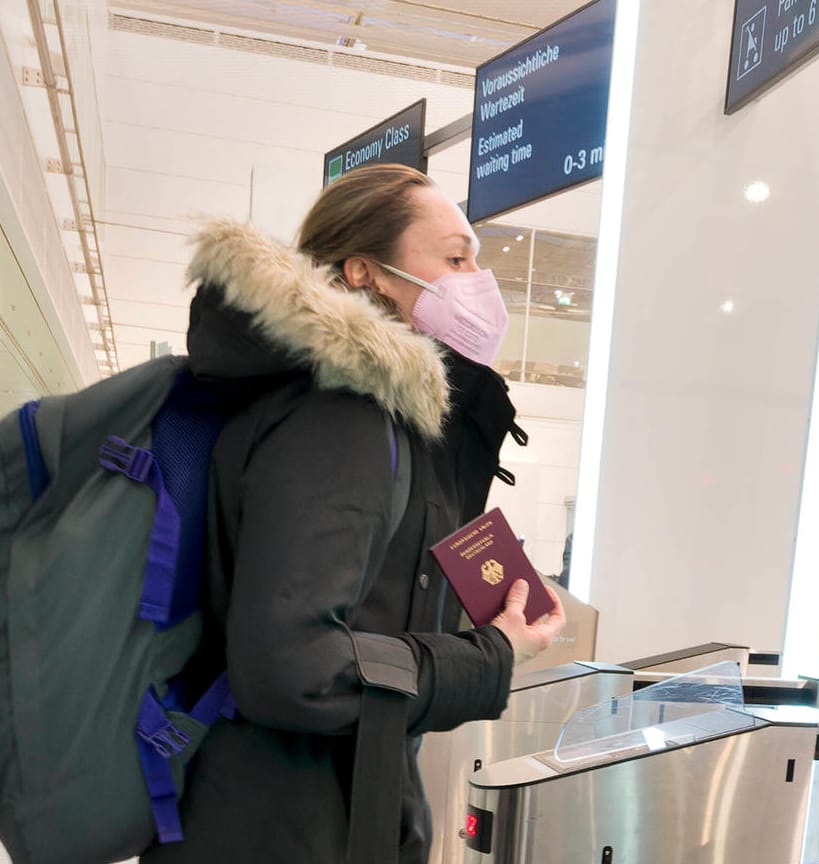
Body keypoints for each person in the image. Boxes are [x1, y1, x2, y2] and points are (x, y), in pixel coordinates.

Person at [141, 164, 565, 863]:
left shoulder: (366, 417)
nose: (476, 282)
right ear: (365, 272)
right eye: (455, 258)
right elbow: (292, 668)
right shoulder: (341, 418)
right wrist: (490, 656)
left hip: (301, 811)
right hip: (281, 828)